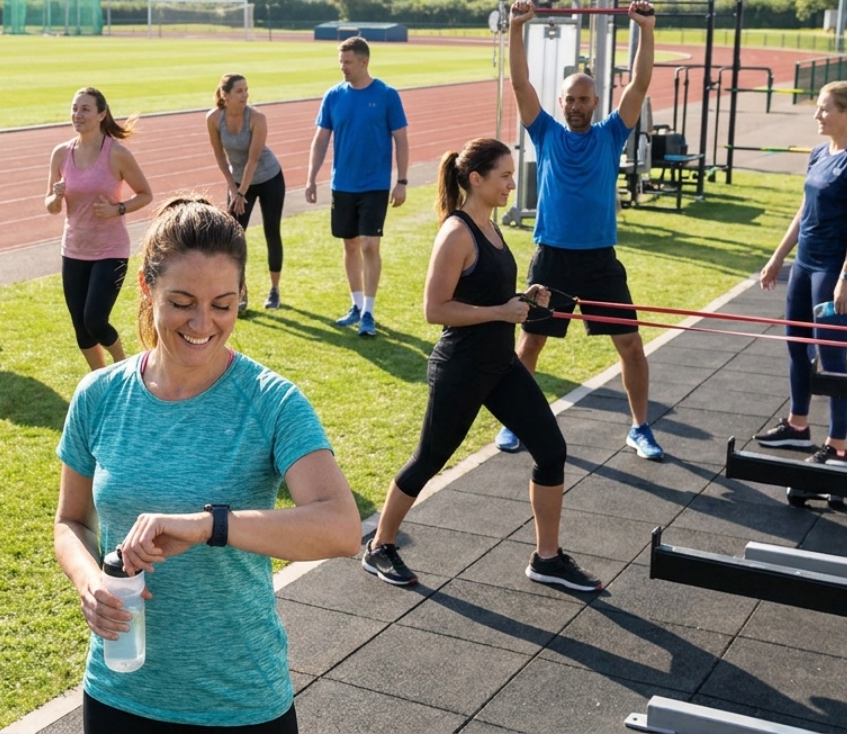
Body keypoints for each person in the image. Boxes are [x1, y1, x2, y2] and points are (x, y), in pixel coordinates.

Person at [53, 194, 360, 732]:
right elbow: (69, 521)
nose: (202, 323)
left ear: (242, 295)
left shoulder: (271, 401)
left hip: (238, 699)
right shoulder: (98, 395)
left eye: (222, 304)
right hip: (120, 690)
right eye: (182, 301)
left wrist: (207, 525)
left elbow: (340, 528)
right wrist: (89, 581)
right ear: (147, 290)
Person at [361, 139, 602, 593]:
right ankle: (379, 546)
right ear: (476, 179)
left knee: (551, 450)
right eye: (505, 176)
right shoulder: (457, 233)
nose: (513, 183)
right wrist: (499, 312)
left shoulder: (491, 227)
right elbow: (435, 309)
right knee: (427, 461)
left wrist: (525, 301)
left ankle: (546, 558)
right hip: (463, 367)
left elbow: (490, 295)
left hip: (499, 365)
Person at [500, 0, 665, 461]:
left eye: (583, 99)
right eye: (569, 99)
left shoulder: (612, 134)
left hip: (599, 261)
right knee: (530, 343)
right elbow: (519, 81)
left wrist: (646, 30)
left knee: (631, 345)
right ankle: (516, 422)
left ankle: (639, 427)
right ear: (561, 103)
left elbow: (640, 83)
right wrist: (517, 29)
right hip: (551, 256)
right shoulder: (545, 132)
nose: (575, 105)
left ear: (595, 103)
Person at [754, 81, 847, 464]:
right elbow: (803, 211)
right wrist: (778, 257)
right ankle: (797, 426)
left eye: (824, 108)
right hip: (805, 264)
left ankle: (837, 445)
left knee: (832, 358)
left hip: (831, 269)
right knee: (796, 346)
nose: (817, 115)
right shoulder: (819, 153)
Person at [305, 36, 410, 338]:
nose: (343, 68)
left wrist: (401, 181)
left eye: (347, 62)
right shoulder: (333, 96)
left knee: (369, 244)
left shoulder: (387, 95)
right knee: (349, 244)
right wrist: (312, 178)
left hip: (375, 185)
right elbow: (321, 139)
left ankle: (369, 312)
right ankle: (356, 304)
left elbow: (401, 139)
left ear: (364, 61)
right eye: (340, 62)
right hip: (343, 185)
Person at [45, 87, 153, 370]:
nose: (77, 114)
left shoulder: (116, 153)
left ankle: (122, 367)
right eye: (74, 108)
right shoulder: (61, 154)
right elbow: (51, 206)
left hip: (110, 250)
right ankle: (100, 378)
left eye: (85, 109)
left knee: (95, 319)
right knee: (81, 329)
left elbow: (145, 194)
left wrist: (118, 209)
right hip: (74, 250)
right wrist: (56, 196)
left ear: (101, 114)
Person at [207, 73, 286, 313]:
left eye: (246, 90)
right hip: (238, 181)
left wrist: (241, 193)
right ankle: (239, 291)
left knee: (271, 231)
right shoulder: (213, 119)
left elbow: (253, 160)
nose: (245, 95)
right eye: (239, 91)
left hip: (269, 177)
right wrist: (234, 190)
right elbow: (220, 157)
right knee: (234, 237)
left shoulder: (257, 118)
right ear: (225, 95)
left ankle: (274, 290)